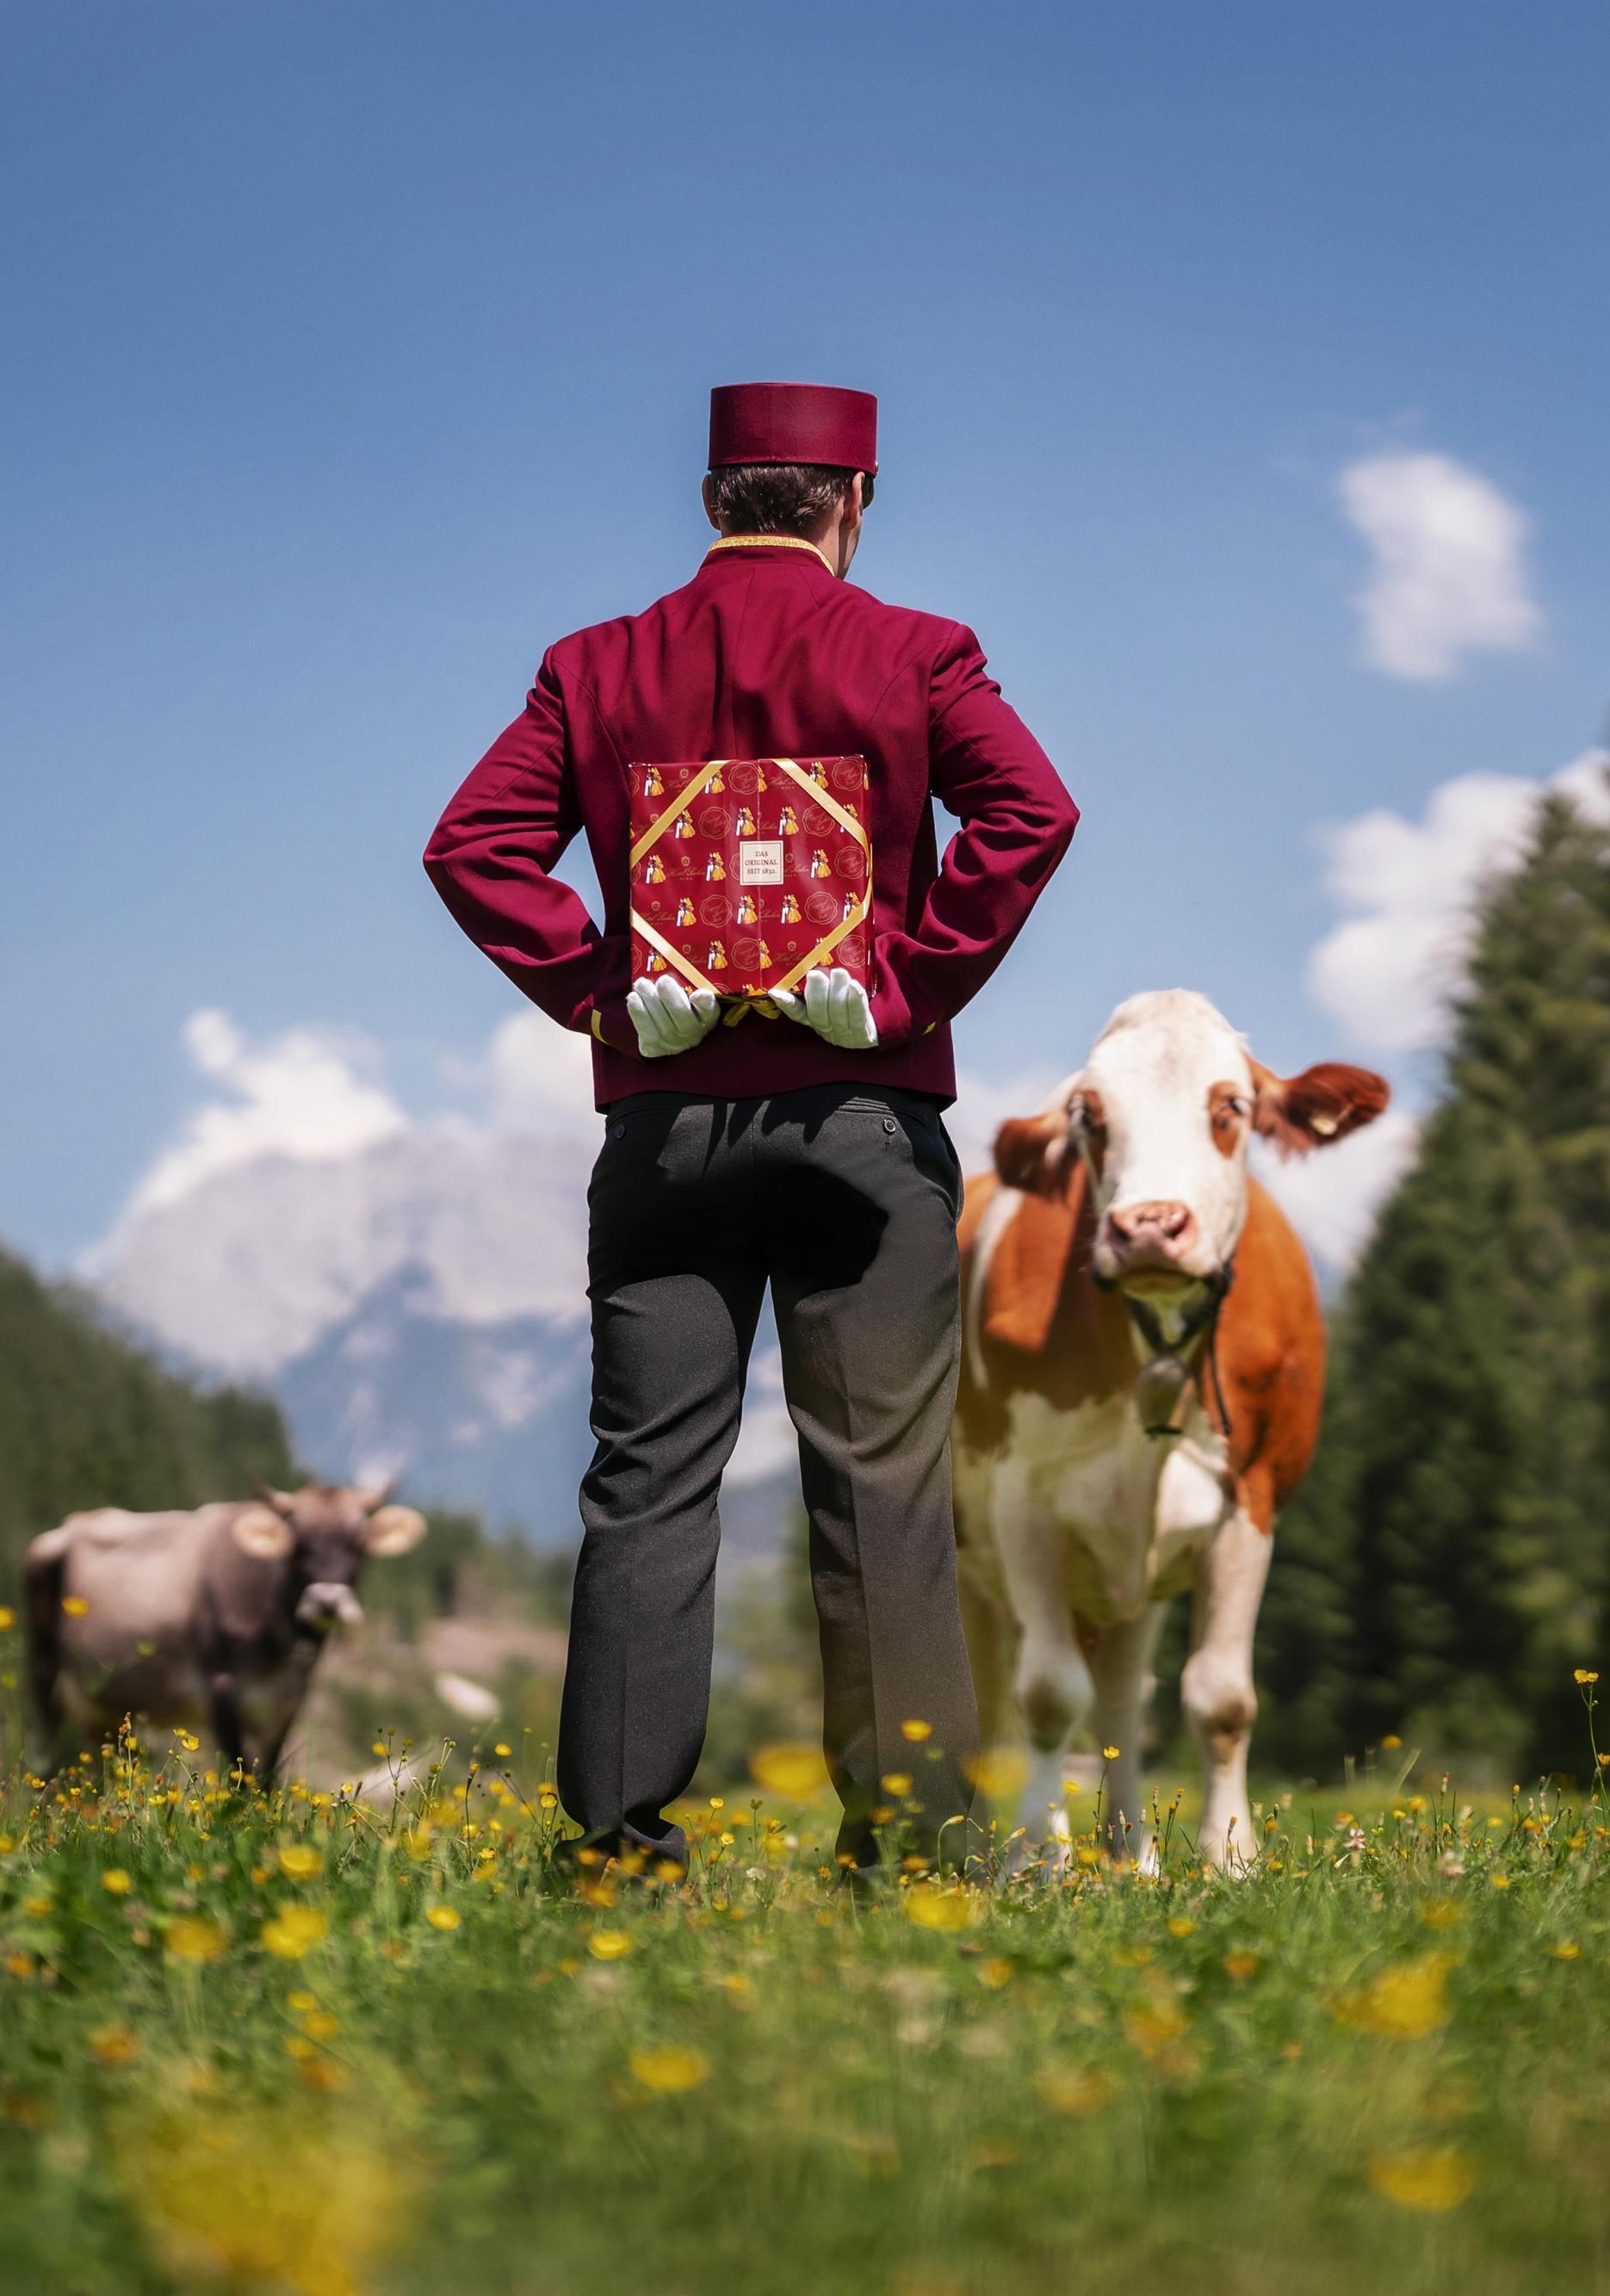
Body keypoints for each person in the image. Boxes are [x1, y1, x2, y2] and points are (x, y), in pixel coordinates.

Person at [424, 381, 1077, 1878]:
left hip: (667, 1133)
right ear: (852, 504)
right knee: (887, 1485)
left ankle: (613, 1850)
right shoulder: (923, 652)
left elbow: (472, 847)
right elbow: (1030, 813)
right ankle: (913, 1855)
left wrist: (603, 992)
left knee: (646, 1481)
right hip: (865, 1120)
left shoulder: (591, 668)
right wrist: (901, 985)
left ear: (713, 502)